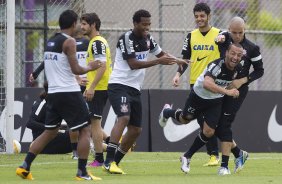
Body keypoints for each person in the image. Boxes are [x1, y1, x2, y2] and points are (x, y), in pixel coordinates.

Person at [16, 10, 102, 181]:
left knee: (50, 132)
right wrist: (91, 66)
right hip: (68, 92)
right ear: (73, 24)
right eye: (78, 23)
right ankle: (82, 172)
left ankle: (24, 166)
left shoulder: (51, 41)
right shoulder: (69, 42)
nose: (79, 26)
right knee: (85, 130)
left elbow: (53, 67)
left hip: (53, 93)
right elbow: (76, 69)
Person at [103, 9, 187, 174]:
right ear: (135, 23)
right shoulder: (126, 38)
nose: (147, 27)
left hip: (134, 88)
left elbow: (162, 55)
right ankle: (108, 161)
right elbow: (133, 64)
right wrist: (157, 62)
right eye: (144, 24)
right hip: (119, 85)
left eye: (149, 24)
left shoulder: (149, 39)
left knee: (136, 130)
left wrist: (178, 60)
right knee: (124, 118)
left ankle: (115, 163)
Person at [159, 43, 244, 175]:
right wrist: (227, 92)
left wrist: (235, 88)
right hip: (198, 96)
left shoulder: (238, 68)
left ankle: (187, 156)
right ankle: (167, 111)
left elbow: (232, 82)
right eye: (233, 53)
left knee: (209, 131)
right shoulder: (217, 65)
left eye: (239, 55)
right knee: (185, 119)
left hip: (215, 101)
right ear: (226, 53)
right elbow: (207, 83)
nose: (235, 57)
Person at [172, 2, 222, 166]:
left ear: (209, 16)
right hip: (197, 85)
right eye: (196, 16)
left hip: (214, 85)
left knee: (209, 124)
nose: (199, 19)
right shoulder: (191, 36)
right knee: (197, 120)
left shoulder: (219, 35)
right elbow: (185, 59)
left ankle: (214, 155)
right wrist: (178, 74)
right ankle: (168, 113)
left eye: (202, 16)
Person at [214, 16, 264, 175]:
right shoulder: (224, 39)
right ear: (229, 30)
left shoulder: (252, 48)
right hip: (220, 86)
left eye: (240, 32)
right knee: (211, 123)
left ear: (245, 30)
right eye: (234, 32)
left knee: (224, 125)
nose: (237, 36)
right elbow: (218, 38)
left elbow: (260, 70)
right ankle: (239, 153)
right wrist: (219, 38)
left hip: (237, 91)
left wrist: (242, 80)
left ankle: (224, 166)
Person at [80, 12, 112, 167]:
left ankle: (99, 158)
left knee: (95, 123)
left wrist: (92, 87)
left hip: (99, 88)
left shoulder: (96, 42)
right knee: (94, 122)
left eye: (85, 24)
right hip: (99, 86)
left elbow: (102, 65)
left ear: (93, 25)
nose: (82, 26)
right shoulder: (96, 41)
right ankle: (108, 147)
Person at [27, 82, 73, 154]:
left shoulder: (55, 102)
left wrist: (60, 127)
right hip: (43, 141)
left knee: (75, 132)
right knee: (74, 136)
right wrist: (50, 128)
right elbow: (30, 123)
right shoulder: (42, 103)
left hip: (52, 137)